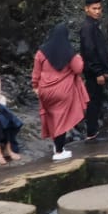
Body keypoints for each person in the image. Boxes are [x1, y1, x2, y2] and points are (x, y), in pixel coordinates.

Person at [32, 23, 88, 161]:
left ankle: (56, 146)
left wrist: (35, 87)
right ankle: (59, 151)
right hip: (62, 92)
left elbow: (36, 72)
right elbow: (78, 69)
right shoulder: (69, 52)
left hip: (45, 91)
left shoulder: (41, 52)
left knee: (52, 119)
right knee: (61, 121)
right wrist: (80, 58)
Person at [78, 0, 108, 141]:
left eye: (99, 8)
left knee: (97, 100)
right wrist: (98, 72)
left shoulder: (93, 26)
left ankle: (94, 130)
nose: (97, 11)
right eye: (94, 9)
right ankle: (91, 132)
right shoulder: (87, 28)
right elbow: (90, 51)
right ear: (86, 9)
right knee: (92, 101)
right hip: (93, 72)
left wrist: (106, 70)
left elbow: (101, 51)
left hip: (98, 71)